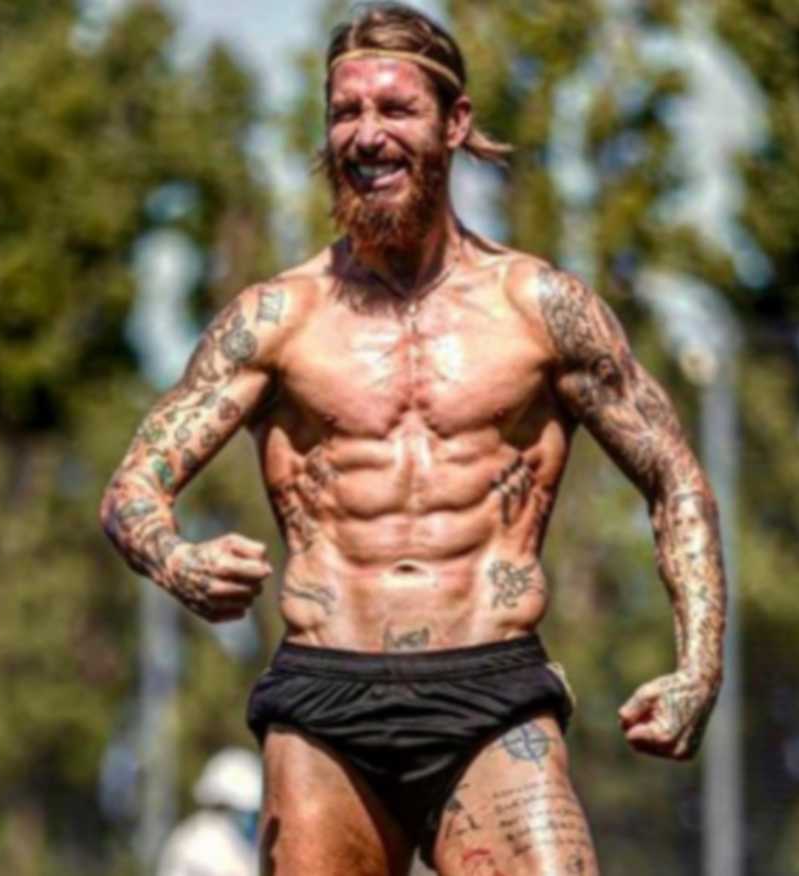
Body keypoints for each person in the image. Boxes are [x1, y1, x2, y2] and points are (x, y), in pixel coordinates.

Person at [100, 4, 726, 874]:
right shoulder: (276, 319)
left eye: (395, 109)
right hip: (325, 705)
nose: (366, 135)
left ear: (455, 123)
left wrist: (699, 667)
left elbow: (675, 480)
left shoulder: (540, 310)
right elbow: (132, 487)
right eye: (345, 112)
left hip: (493, 697)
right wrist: (178, 561)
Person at [156, 747, 262, 876]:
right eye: (243, 811)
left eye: (253, 814)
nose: (249, 820)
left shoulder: (244, 846)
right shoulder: (196, 842)